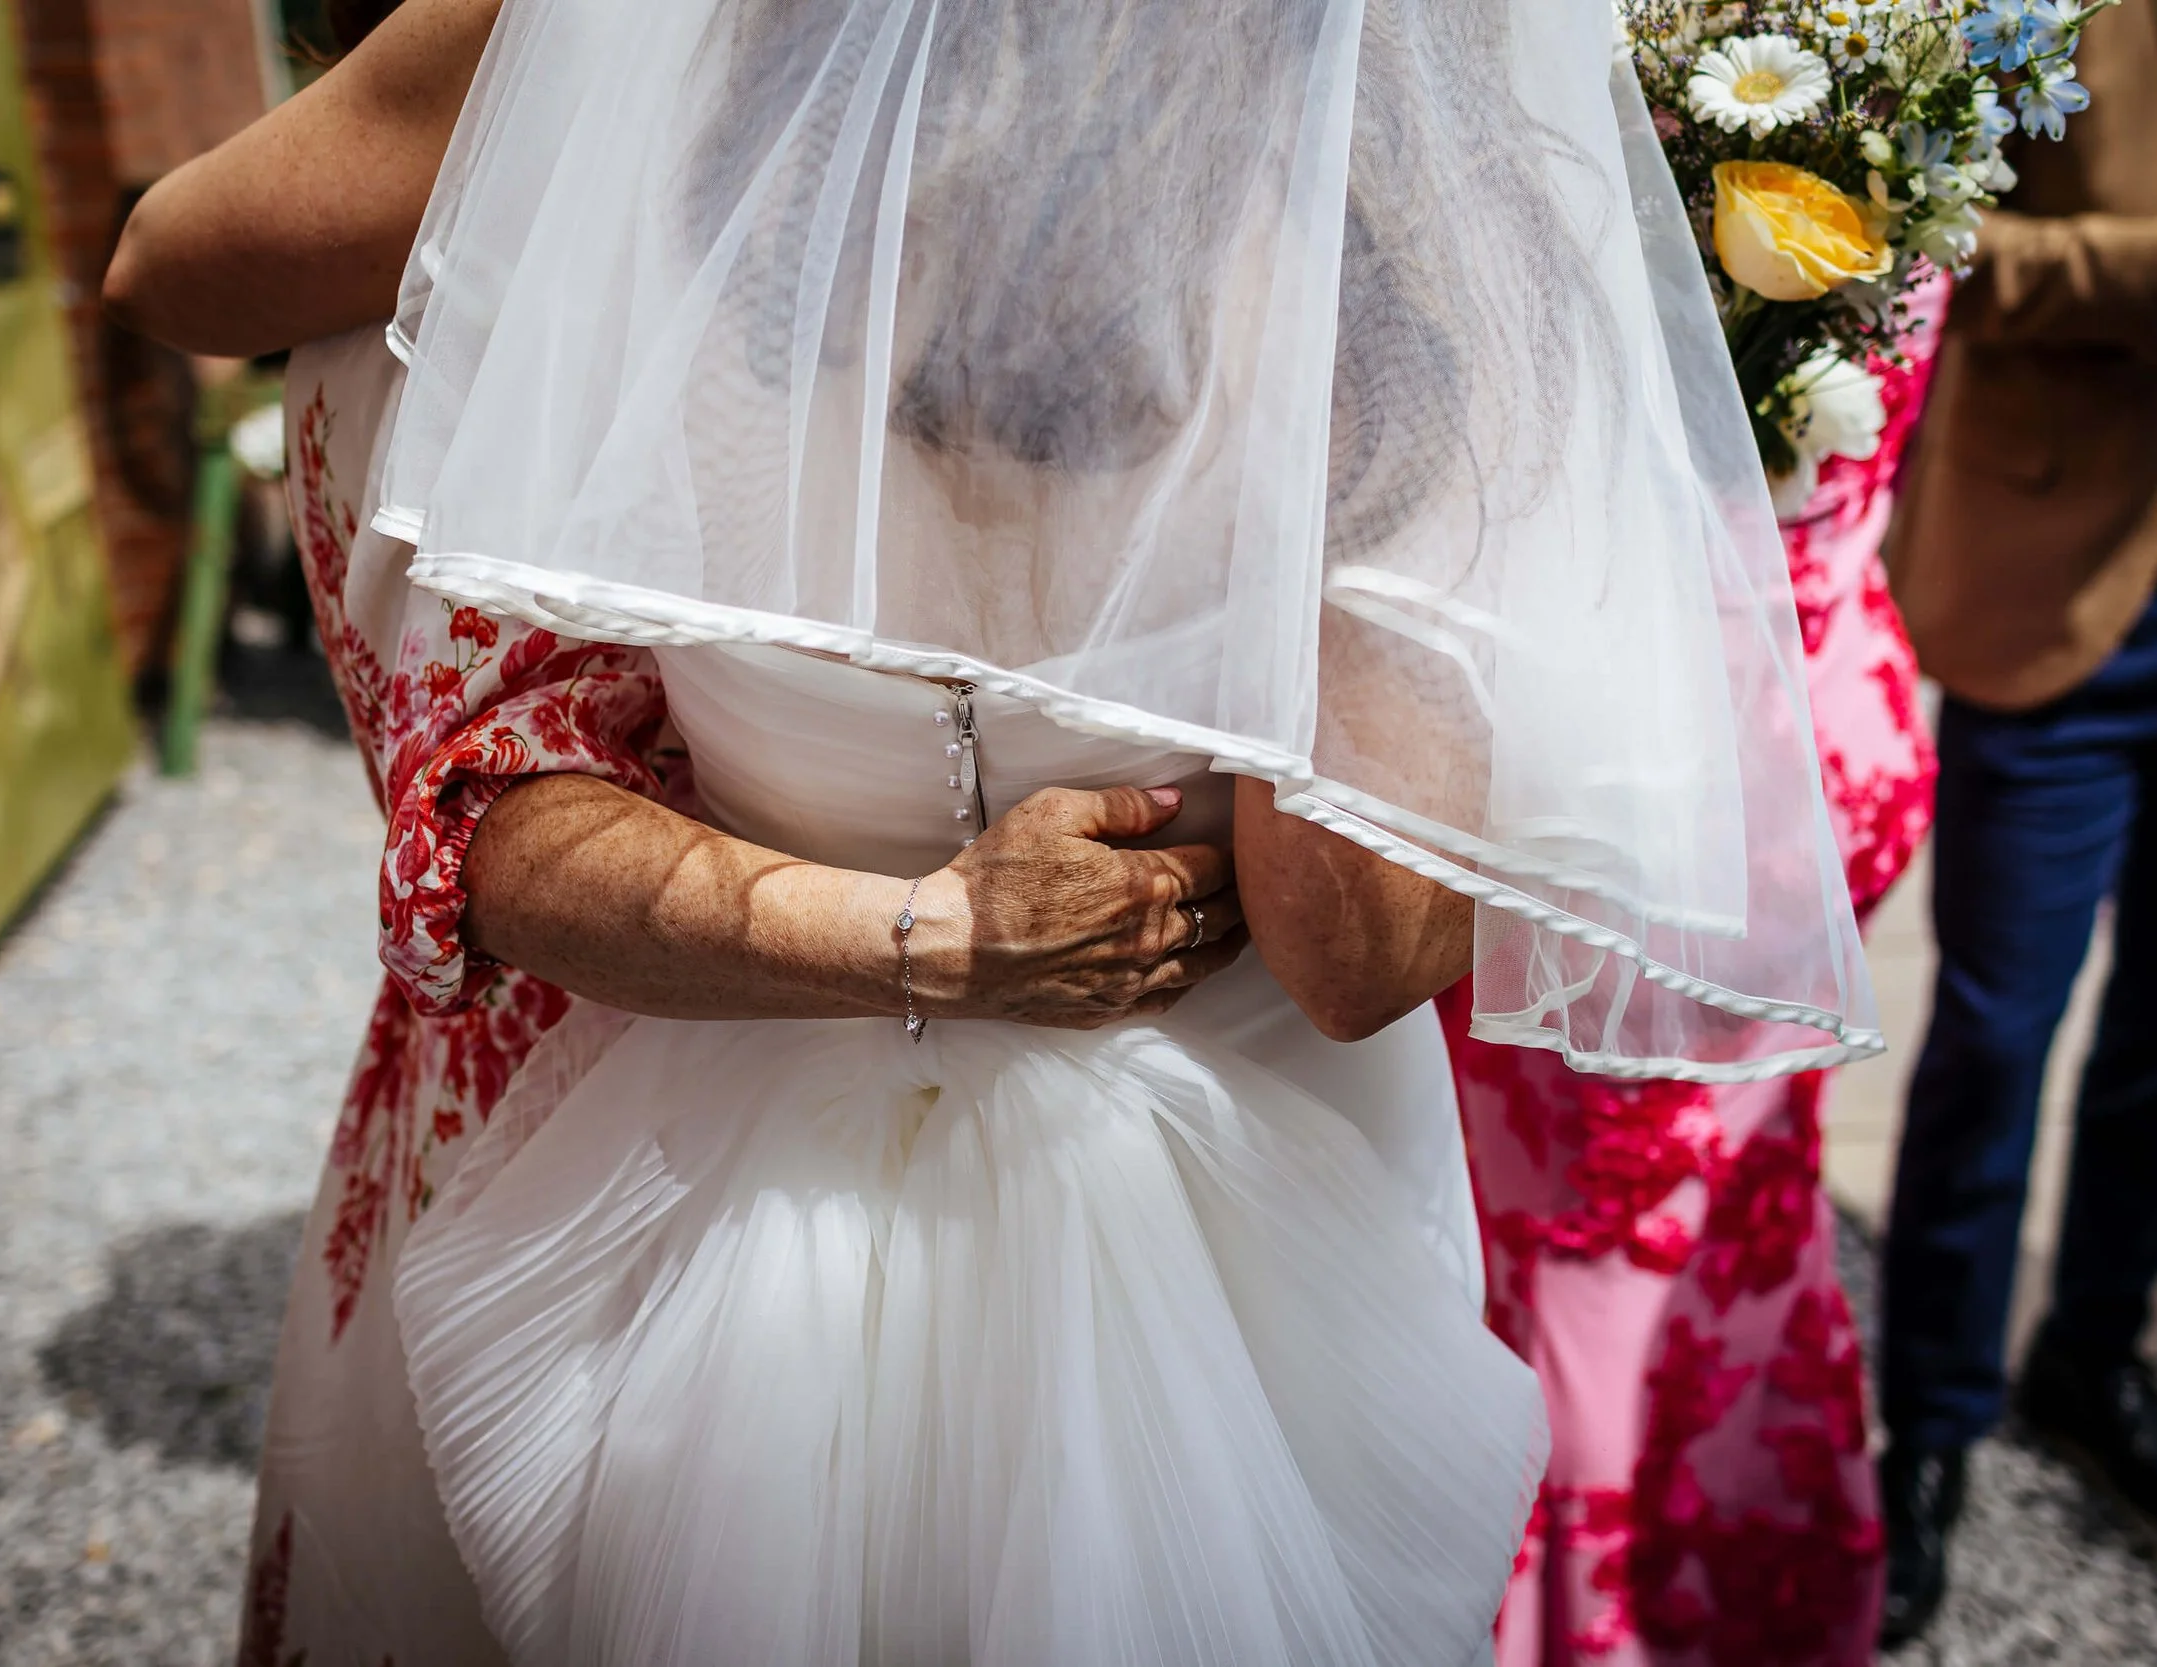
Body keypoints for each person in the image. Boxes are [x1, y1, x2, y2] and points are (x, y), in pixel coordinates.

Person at [109, 0, 1879, 1660]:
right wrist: (1516, 393)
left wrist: (913, 935)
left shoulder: (642, 135)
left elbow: (487, 802)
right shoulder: (1383, 241)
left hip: (703, 1194)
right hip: (1251, 1248)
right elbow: (1347, 940)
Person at [1878, 0, 2157, 1644]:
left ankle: (2092, 1353)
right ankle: (1929, 1430)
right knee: (1996, 1035)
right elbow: (1920, 214)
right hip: (2074, 572)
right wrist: (2151, 268)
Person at [1444, 285, 1944, 1667]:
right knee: (1722, 1202)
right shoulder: (1910, 135)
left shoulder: (1567, 117)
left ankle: (1585, 1624)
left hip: (1625, 781)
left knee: (1579, 1235)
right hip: (1828, 738)